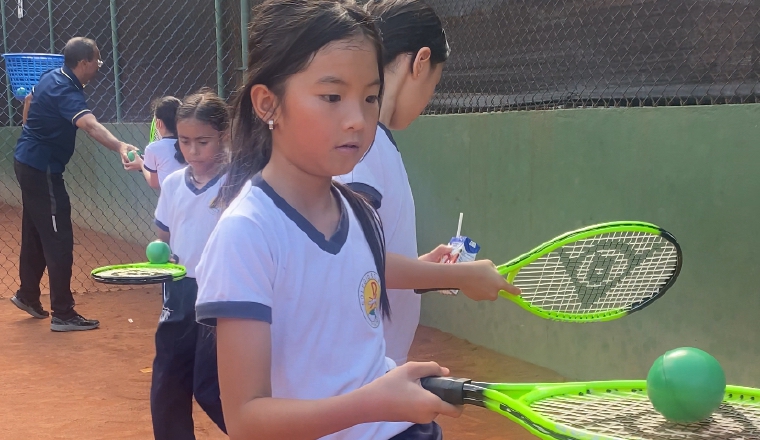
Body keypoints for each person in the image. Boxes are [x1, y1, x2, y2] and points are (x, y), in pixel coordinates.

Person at [194, 1, 519, 439]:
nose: (357, 119)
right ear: (268, 104)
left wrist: (454, 277)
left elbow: (354, 300)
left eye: (370, 97)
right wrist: (373, 402)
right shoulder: (246, 233)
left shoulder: (358, 212)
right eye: (332, 97)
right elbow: (247, 421)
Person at [336, 0, 451, 365]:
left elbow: (368, 257)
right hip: (361, 382)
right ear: (420, 61)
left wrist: (422, 270)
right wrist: (463, 276)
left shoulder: (374, 143)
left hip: (372, 373)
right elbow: (355, 260)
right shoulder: (366, 146)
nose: (428, 99)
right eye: (433, 84)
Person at [10, 36, 139, 332]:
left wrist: (32, 131)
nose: (98, 66)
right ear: (84, 63)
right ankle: (63, 313)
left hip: (28, 162)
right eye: (97, 60)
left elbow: (29, 102)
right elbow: (90, 125)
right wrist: (120, 146)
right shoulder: (66, 89)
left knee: (36, 231)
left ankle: (28, 295)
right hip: (42, 169)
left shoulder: (50, 77)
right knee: (58, 239)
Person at [150, 89, 229, 439]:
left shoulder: (239, 182)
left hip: (223, 294)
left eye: (203, 141)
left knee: (211, 386)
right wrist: (162, 256)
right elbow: (163, 236)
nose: (193, 151)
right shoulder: (172, 184)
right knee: (168, 379)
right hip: (180, 292)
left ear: (224, 137)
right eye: (184, 141)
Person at [133, 96, 186, 189]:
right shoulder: (190, 145)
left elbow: (155, 183)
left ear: (159, 123)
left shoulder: (152, 149)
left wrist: (141, 164)